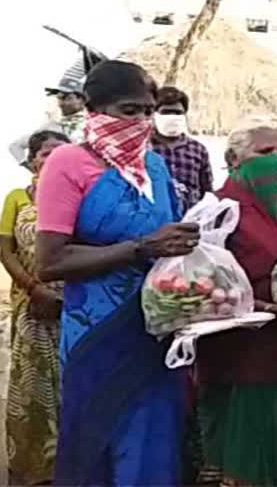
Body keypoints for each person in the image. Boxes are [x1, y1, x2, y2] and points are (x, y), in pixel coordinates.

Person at [35, 59, 201, 486]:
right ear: (95, 109)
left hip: (156, 328)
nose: (142, 121)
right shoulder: (67, 164)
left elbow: (168, 241)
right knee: (100, 441)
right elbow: (49, 261)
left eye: (148, 111)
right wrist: (140, 248)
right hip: (99, 329)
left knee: (153, 443)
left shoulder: (157, 167)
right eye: (130, 111)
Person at [195, 117, 277, 487]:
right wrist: (270, 310)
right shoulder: (217, 210)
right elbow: (201, 287)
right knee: (242, 456)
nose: (275, 160)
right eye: (264, 152)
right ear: (234, 159)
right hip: (240, 353)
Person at [1, 131, 68, 485]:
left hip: (73, 305)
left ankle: (72, 463)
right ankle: (35, 468)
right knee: (33, 385)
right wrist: (34, 289)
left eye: (61, 151)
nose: (53, 157)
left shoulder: (79, 195)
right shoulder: (16, 197)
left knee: (72, 381)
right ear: (32, 160)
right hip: (32, 305)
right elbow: (6, 249)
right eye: (45, 153)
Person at [150, 86, 213, 213]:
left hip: (189, 220)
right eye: (166, 112)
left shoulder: (198, 150)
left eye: (177, 112)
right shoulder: (143, 147)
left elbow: (206, 192)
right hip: (153, 221)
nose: (172, 116)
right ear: (154, 114)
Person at [9, 72, 87, 168]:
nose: (63, 103)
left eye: (69, 98)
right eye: (61, 99)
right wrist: (32, 168)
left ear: (82, 100)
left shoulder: (94, 123)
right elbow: (15, 146)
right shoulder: (52, 126)